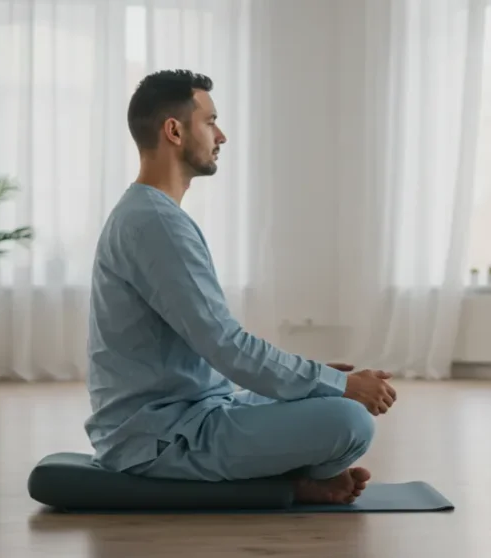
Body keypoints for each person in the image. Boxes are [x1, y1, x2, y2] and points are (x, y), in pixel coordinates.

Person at [84, 69, 397, 505]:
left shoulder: (151, 214)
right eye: (210, 121)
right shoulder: (154, 222)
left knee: (330, 392)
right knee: (350, 421)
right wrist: (336, 388)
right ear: (174, 131)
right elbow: (227, 346)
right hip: (159, 438)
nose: (222, 135)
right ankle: (282, 479)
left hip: (196, 412)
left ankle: (289, 478)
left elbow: (216, 356)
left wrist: (320, 381)